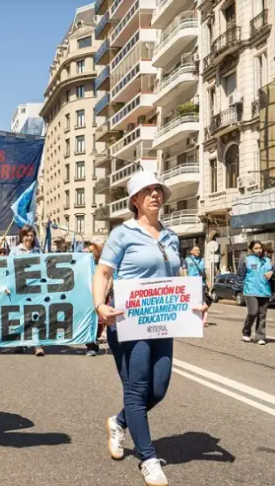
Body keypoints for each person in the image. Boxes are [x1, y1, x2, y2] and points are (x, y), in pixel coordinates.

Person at [93, 172, 207, 486]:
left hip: (162, 320)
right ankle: (148, 457)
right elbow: (103, 273)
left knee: (158, 389)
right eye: (148, 190)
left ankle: (119, 422)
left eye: (158, 190)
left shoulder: (171, 237)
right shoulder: (122, 233)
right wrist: (100, 305)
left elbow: (180, 280)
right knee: (137, 388)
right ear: (135, 200)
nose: (155, 194)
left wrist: (195, 304)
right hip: (127, 320)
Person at [10, 226, 44, 356]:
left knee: (34, 316)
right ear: (22, 236)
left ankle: (37, 345)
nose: (29, 238)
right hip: (19, 288)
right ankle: (21, 344)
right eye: (27, 235)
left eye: (31, 235)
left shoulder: (38, 251)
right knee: (20, 317)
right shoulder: (14, 251)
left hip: (34, 289)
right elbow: (8, 269)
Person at [237, 240, 272, 345]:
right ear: (252, 249)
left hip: (265, 291)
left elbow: (273, 271)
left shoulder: (268, 260)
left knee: (262, 315)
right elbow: (240, 275)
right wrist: (237, 289)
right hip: (250, 291)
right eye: (256, 248)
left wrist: (272, 272)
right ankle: (246, 332)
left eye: (260, 248)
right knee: (253, 312)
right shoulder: (246, 260)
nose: (258, 250)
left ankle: (260, 337)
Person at [85, 238, 106, 357]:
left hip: (103, 292)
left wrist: (105, 292)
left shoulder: (105, 262)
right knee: (90, 318)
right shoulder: (86, 261)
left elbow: (109, 277)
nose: (90, 252)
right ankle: (91, 344)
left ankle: (95, 338)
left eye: (93, 249)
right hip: (88, 293)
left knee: (100, 321)